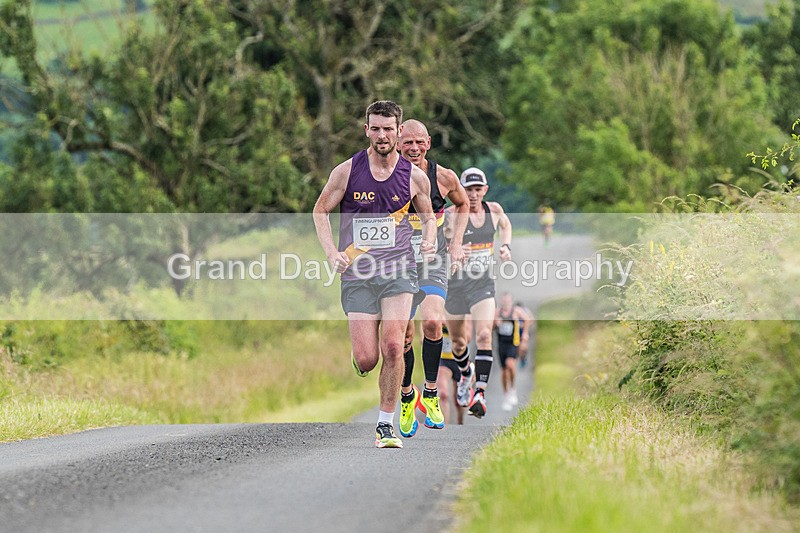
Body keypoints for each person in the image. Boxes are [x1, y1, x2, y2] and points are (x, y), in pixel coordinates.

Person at [313, 100, 436, 448]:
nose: (382, 136)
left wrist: (429, 240)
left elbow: (428, 217)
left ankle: (385, 425)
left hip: (399, 270)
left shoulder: (414, 177)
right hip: (358, 275)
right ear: (366, 130)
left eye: (388, 129)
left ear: (399, 131)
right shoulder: (346, 172)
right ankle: (362, 355)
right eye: (376, 129)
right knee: (368, 359)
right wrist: (331, 253)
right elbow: (320, 211)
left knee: (394, 345)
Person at [396, 119, 469, 438]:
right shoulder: (386, 176)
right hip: (398, 264)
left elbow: (463, 203)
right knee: (402, 335)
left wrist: (455, 243)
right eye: (407, 143)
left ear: (428, 143)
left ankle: (430, 392)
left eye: (419, 142)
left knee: (432, 322)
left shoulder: (444, 177)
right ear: (398, 144)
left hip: (433, 261)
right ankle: (406, 395)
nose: (413, 148)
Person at [444, 167, 512, 418]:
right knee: (458, 342)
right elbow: (435, 247)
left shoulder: (493, 210)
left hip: (482, 284)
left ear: (485, 190)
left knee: (484, 334)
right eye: (468, 190)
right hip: (454, 286)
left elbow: (506, 225)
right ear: (460, 190)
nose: (472, 195)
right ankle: (466, 373)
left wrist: (505, 246)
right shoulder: (451, 215)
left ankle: (480, 394)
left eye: (477, 189)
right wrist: (453, 250)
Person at [494, 292, 529, 411]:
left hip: (513, 343)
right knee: (504, 371)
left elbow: (528, 319)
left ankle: (513, 389)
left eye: (507, 300)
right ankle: (506, 394)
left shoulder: (516, 311)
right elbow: (490, 326)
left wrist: (524, 334)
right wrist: (496, 323)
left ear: (511, 301)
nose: (505, 302)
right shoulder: (497, 312)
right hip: (501, 344)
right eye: (504, 300)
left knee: (510, 364)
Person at [436, 322, 467, 425]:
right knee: (443, 394)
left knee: (458, 398)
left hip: (460, 360)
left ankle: (460, 423)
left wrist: (452, 326)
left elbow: (468, 335)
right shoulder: (438, 312)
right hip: (443, 359)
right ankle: (445, 427)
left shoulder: (462, 314)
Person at [514, 301, 535, 369]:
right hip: (516, 332)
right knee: (517, 346)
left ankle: (523, 358)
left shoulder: (526, 311)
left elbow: (531, 320)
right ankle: (518, 358)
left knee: (523, 347)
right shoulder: (514, 311)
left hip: (524, 331)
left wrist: (524, 325)